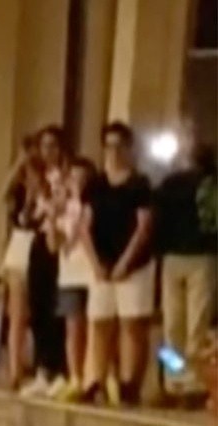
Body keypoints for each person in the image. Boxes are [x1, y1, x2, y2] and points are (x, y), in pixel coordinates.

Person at [81, 121, 154, 406]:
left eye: (118, 146)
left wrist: (125, 261)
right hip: (103, 261)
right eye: (108, 146)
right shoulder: (95, 184)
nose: (113, 152)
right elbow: (85, 226)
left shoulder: (139, 184)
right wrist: (96, 262)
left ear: (128, 148)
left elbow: (143, 227)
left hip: (133, 264)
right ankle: (96, 379)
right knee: (100, 321)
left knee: (131, 324)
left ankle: (128, 383)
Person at [155, 126, 217, 395]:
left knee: (183, 326)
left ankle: (182, 382)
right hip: (190, 256)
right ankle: (184, 381)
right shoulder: (201, 183)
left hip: (187, 256)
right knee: (185, 325)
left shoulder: (183, 183)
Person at [22, 125, 68, 397]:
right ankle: (42, 369)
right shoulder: (37, 179)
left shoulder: (66, 178)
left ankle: (60, 368)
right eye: (43, 146)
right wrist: (31, 193)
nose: (47, 152)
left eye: (52, 146)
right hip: (38, 244)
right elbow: (26, 218)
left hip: (61, 245)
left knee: (56, 309)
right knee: (37, 307)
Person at [49, 156, 97, 401]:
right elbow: (52, 245)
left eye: (82, 178)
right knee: (73, 327)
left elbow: (85, 233)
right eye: (73, 177)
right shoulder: (64, 209)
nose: (77, 182)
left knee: (93, 327)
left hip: (91, 273)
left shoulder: (93, 205)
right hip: (69, 273)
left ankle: (93, 377)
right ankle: (75, 376)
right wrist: (52, 216)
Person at [0, 132, 44, 389]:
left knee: (36, 312)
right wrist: (19, 164)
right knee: (16, 313)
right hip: (19, 245)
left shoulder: (50, 184)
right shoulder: (18, 189)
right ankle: (15, 368)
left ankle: (37, 365)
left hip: (39, 245)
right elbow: (2, 195)